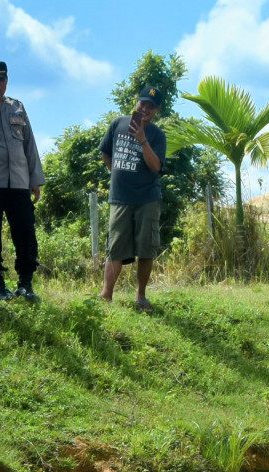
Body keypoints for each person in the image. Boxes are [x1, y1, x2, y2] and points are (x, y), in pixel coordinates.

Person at [0, 60, 44, 303]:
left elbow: (29, 144)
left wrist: (35, 178)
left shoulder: (17, 107)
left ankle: (25, 284)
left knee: (25, 233)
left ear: (7, 81)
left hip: (19, 183)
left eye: (1, 79)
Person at [99, 86, 167, 313]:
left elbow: (156, 167)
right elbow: (105, 153)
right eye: (143, 103)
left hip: (147, 198)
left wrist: (142, 140)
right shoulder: (118, 124)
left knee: (146, 248)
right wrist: (116, 174)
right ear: (136, 102)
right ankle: (106, 294)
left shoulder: (157, 135)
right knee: (115, 247)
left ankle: (141, 296)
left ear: (157, 110)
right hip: (120, 198)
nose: (145, 109)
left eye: (151, 106)